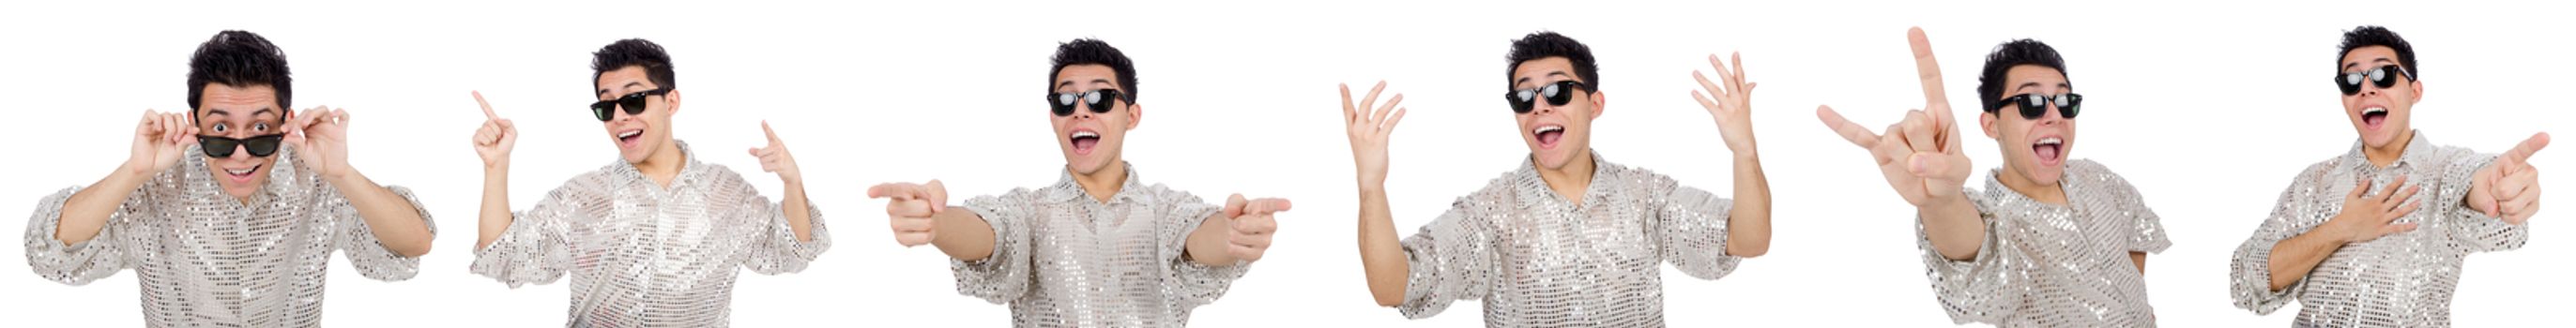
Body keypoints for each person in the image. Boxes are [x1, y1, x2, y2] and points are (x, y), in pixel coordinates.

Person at [1344, 31, 1774, 327]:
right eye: (1524, 96)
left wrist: (1744, 150)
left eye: (1558, 91)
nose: (1540, 107)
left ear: (1595, 103)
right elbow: (1394, 286)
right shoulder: (1490, 213)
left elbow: (1748, 239)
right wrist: (1370, 186)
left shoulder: (1645, 196)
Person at [22, 30, 437, 327]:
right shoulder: (156, 187)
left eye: (260, 130)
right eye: (221, 131)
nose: (240, 153)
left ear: (286, 122)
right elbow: (52, 252)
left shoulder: (316, 183)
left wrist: (342, 173)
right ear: (196, 125)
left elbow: (413, 243)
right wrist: (135, 171)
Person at [865, 38, 1290, 328]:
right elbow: (991, 232)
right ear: (1053, 117)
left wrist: (1233, 233)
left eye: (1100, 98)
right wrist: (937, 224)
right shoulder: (1029, 210)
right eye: (1065, 99)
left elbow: (1198, 238)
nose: (1081, 111)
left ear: (1132, 115)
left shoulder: (1166, 209)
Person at [466, 38, 828, 327]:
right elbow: (503, 254)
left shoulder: (725, 192)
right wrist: (496, 167)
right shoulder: (582, 197)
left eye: (634, 99)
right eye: (607, 107)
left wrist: (792, 183)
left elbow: (793, 249)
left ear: (671, 102)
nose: (620, 116)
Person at [1817, 27, 2166, 326]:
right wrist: (1942, 201)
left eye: (2064, 101)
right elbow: (1970, 250)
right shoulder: (1992, 219)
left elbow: (2137, 226)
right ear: (1991, 124)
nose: (2053, 116)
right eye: (2031, 102)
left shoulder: (2097, 177)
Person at [2228, 25, 2550, 327]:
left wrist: (2494, 189)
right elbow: (2247, 279)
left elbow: (2473, 183)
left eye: (2383, 75)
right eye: (2351, 81)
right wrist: (2340, 229)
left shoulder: (2444, 169)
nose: (2366, 88)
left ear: (2415, 90)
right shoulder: (2315, 182)